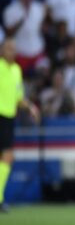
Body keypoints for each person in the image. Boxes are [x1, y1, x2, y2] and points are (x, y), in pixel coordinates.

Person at [0, 38, 40, 213]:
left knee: (7, 156)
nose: (12, 51)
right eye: (8, 48)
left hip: (8, 116)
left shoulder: (16, 70)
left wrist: (30, 107)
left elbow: (18, 96)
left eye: (14, 48)